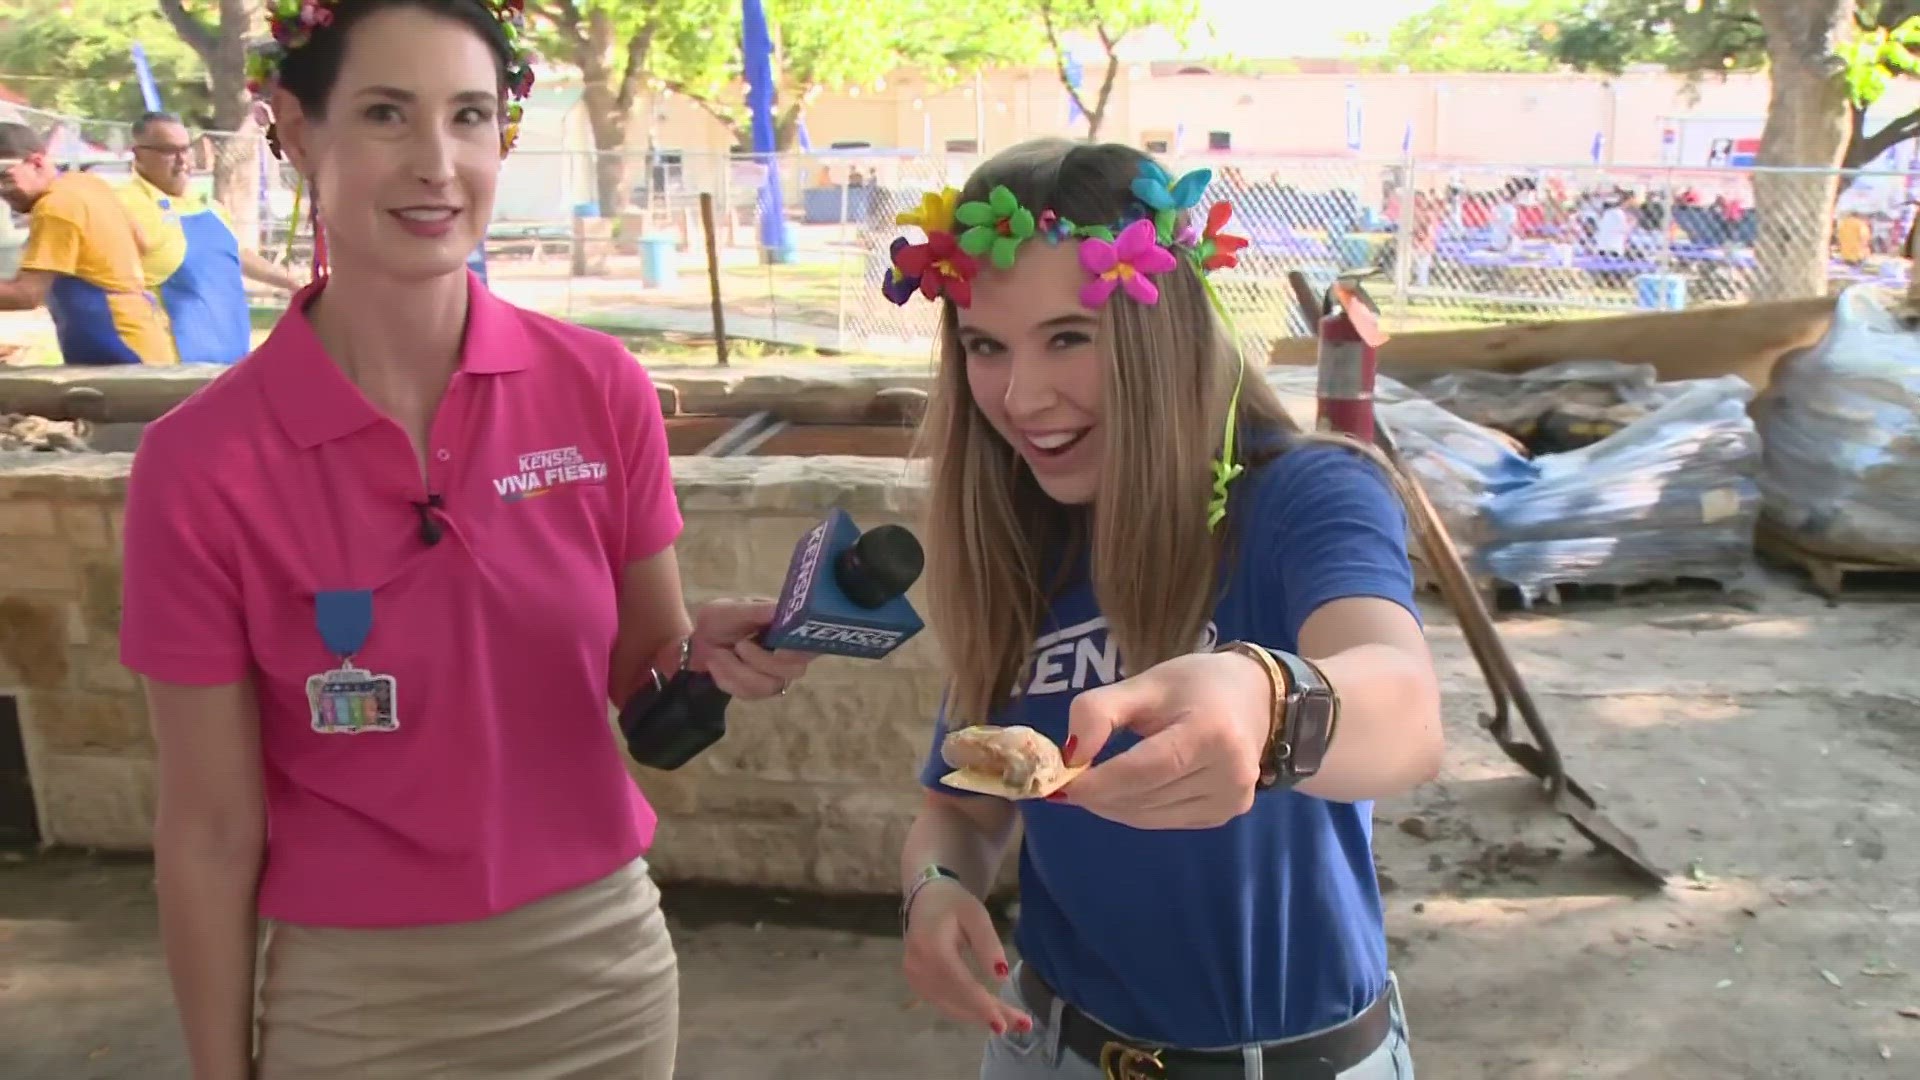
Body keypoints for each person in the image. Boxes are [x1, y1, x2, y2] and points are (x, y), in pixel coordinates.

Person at [116, 2, 813, 1078]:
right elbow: (209, 830)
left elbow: (643, 669)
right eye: (387, 114)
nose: (436, 164)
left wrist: (706, 650)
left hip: (601, 976)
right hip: (354, 1009)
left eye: (470, 116)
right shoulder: (201, 463)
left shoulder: (599, 387)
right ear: (297, 132)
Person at [886, 139, 1444, 1079]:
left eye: (1069, 336)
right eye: (986, 346)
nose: (1021, 398)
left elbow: (1407, 713)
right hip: (1047, 1049)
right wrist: (933, 891)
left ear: (1167, 329)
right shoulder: (1024, 529)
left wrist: (1268, 704)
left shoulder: (1305, 495)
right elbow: (964, 806)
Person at [119, 111, 305, 365]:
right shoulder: (122, 205)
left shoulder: (207, 205)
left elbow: (234, 253)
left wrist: (289, 281)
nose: (183, 160)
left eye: (186, 148)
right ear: (138, 154)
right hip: (170, 366)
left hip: (231, 356)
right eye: (168, 151)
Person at [0, 121, 176, 365]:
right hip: (145, 337)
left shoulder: (54, 208)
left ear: (37, 162)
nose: (2, 190)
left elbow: (26, 295)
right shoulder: (86, 184)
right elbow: (141, 243)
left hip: (119, 345)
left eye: (4, 177)